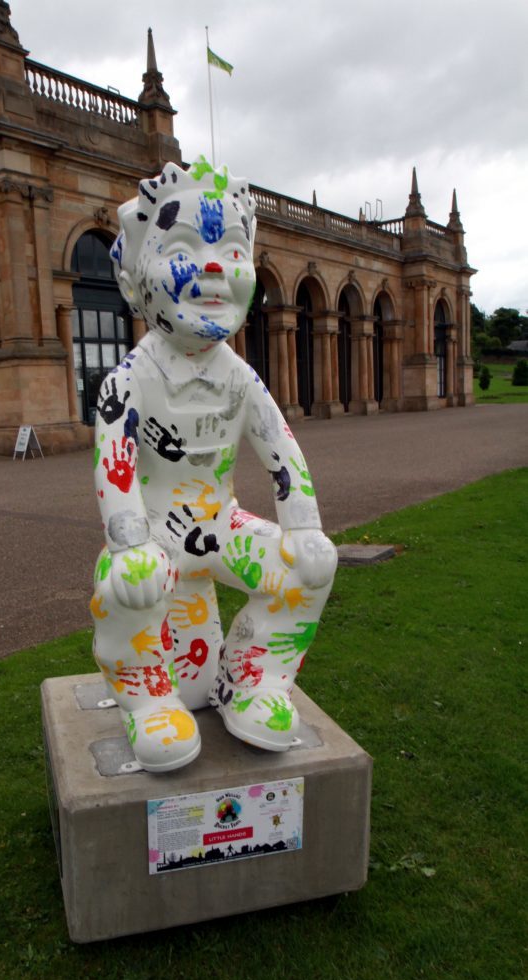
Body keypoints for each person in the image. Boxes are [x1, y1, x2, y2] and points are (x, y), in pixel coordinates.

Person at [90, 158, 337, 772]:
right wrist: (128, 543)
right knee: (126, 587)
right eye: (180, 247)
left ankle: (253, 681)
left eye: (231, 248)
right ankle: (148, 699)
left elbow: (281, 448)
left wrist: (303, 526)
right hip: (154, 533)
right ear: (132, 276)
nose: (212, 268)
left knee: (308, 568)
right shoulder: (129, 380)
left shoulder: (240, 377)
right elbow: (114, 465)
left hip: (219, 526)